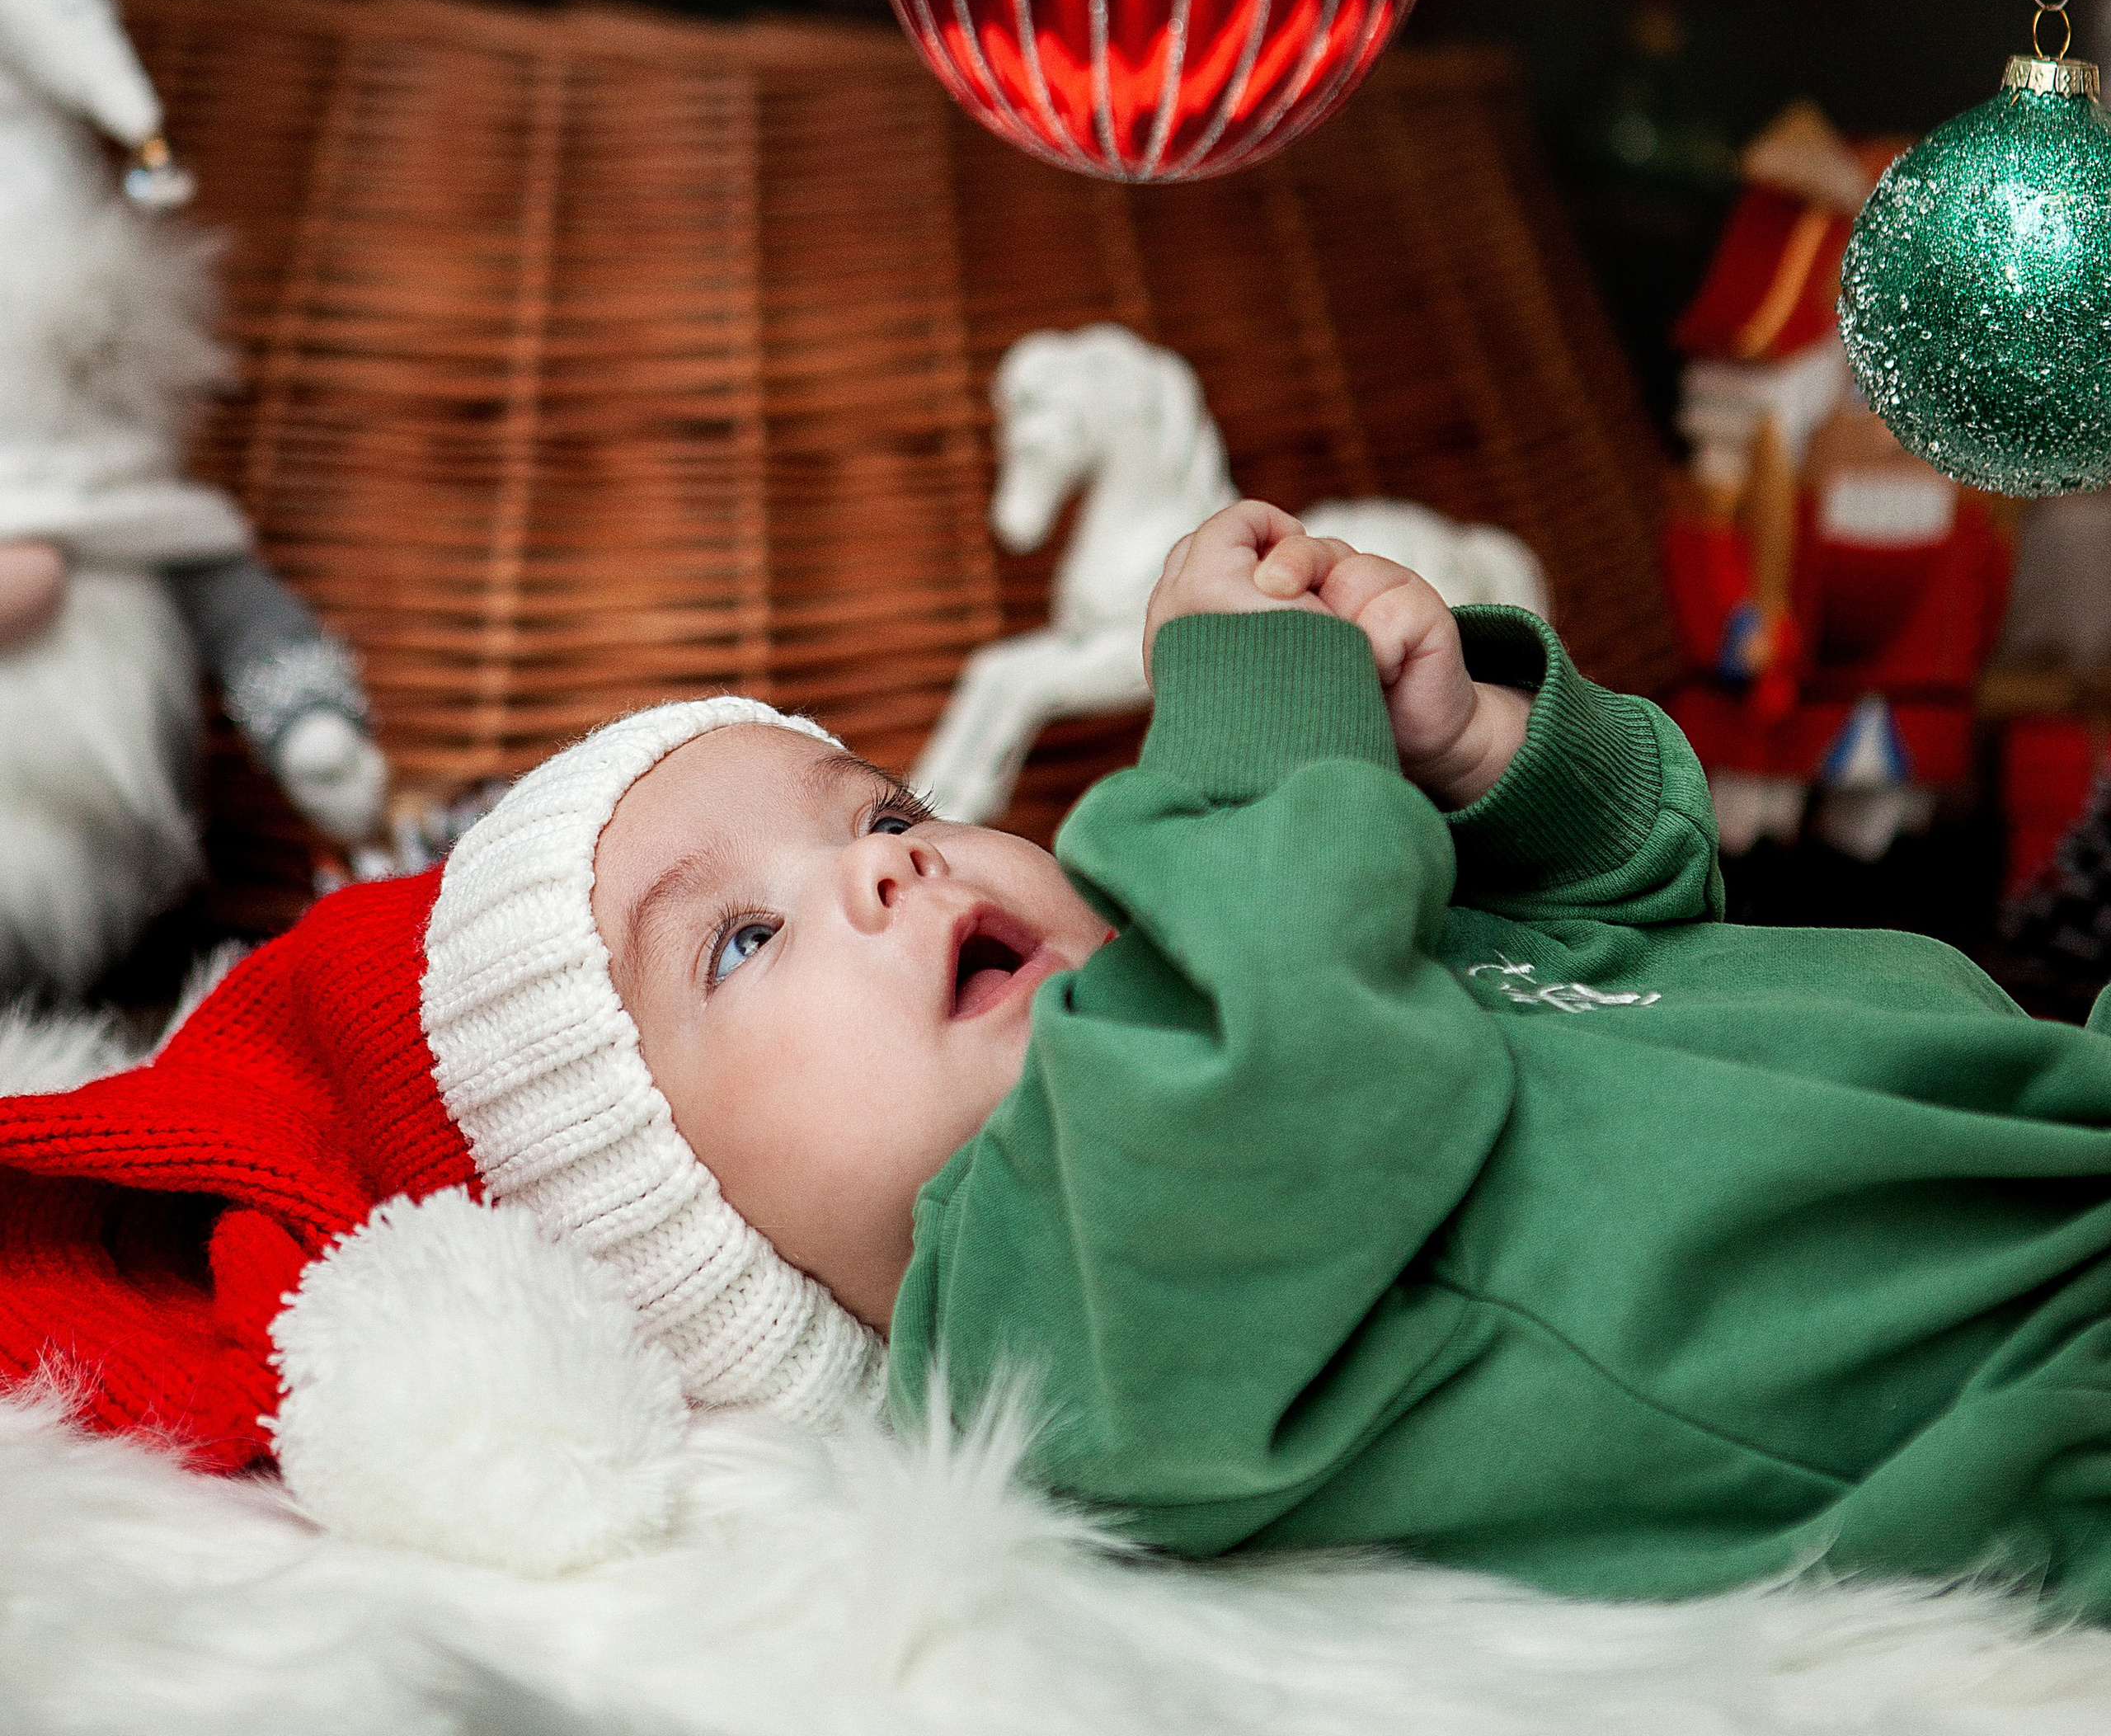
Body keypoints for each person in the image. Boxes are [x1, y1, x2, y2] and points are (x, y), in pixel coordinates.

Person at [7, 500, 2111, 1616]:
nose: (883, 876)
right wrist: (1248, 718)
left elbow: (1627, 923)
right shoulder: (1047, 1317)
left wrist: (1475, 755)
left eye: (885, 807)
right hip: (2019, 1382)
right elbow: (1302, 1080)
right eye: (738, 940)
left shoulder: (1242, 967)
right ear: (687, 1242)